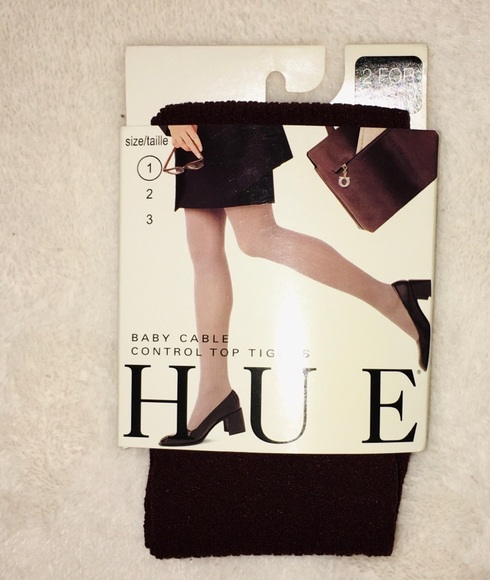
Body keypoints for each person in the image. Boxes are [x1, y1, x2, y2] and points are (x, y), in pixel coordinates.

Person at [158, 123, 430, 447]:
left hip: (229, 118)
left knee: (258, 237)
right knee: (204, 253)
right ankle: (214, 390)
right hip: (191, 122)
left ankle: (391, 298)